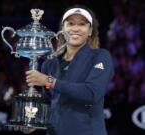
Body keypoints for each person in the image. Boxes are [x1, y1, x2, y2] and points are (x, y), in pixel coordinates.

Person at [26, 5, 114, 135]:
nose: (75, 28)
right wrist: (33, 120)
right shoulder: (49, 64)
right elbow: (49, 103)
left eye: (82, 24)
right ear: (63, 29)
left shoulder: (100, 56)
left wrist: (49, 81)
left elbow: (91, 94)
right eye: (70, 23)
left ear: (90, 31)